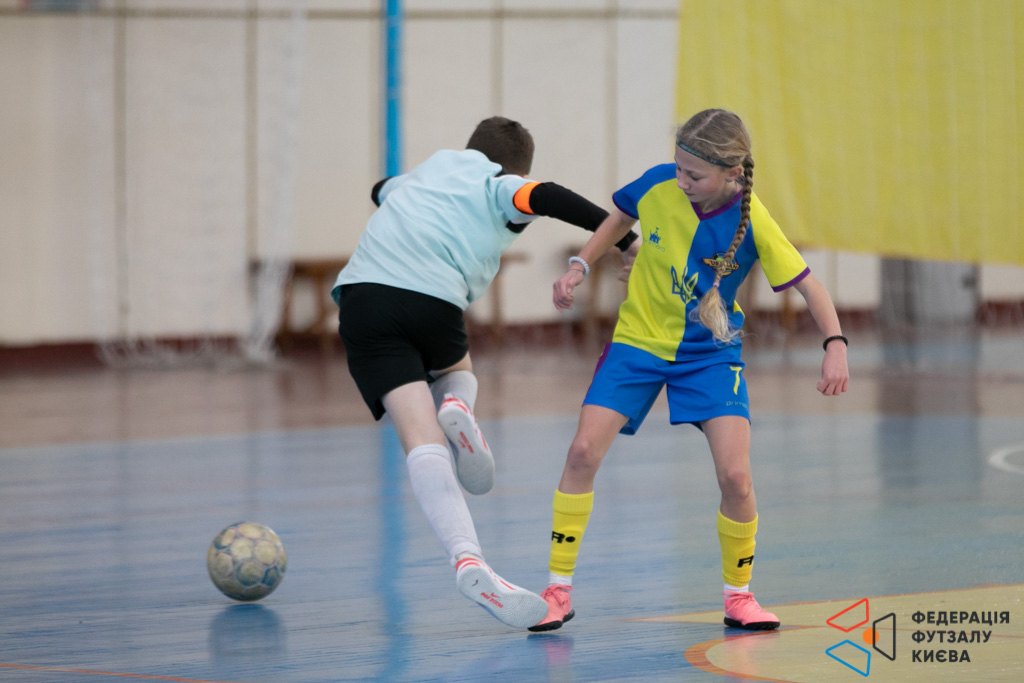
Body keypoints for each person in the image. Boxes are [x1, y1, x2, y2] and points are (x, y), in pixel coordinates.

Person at [529, 108, 850, 632]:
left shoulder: (753, 220)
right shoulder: (660, 183)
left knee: (736, 477)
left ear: (732, 174)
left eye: (694, 175)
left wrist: (835, 344)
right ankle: (557, 591)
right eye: (678, 168)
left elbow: (809, 286)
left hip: (710, 356)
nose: (681, 181)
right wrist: (580, 265)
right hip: (637, 342)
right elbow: (619, 217)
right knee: (582, 452)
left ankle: (739, 597)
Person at [332, 116, 639, 629]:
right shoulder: (500, 185)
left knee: (420, 441)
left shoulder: (424, 174)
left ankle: (467, 557)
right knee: (457, 372)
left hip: (362, 300)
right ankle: (459, 404)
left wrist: (407, 190)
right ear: (515, 169)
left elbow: (378, 189)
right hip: (431, 297)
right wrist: (625, 241)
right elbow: (548, 196)